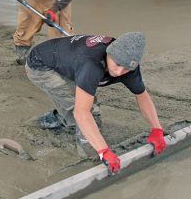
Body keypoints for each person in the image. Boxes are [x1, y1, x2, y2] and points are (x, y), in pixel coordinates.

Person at [25, 32, 167, 174]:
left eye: (126, 68)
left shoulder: (128, 65)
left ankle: (58, 118)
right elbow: (81, 113)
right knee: (81, 109)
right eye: (117, 65)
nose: (119, 72)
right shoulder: (91, 64)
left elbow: (141, 95)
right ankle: (89, 155)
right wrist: (103, 152)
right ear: (108, 53)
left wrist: (157, 129)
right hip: (41, 65)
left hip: (68, 59)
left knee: (86, 106)